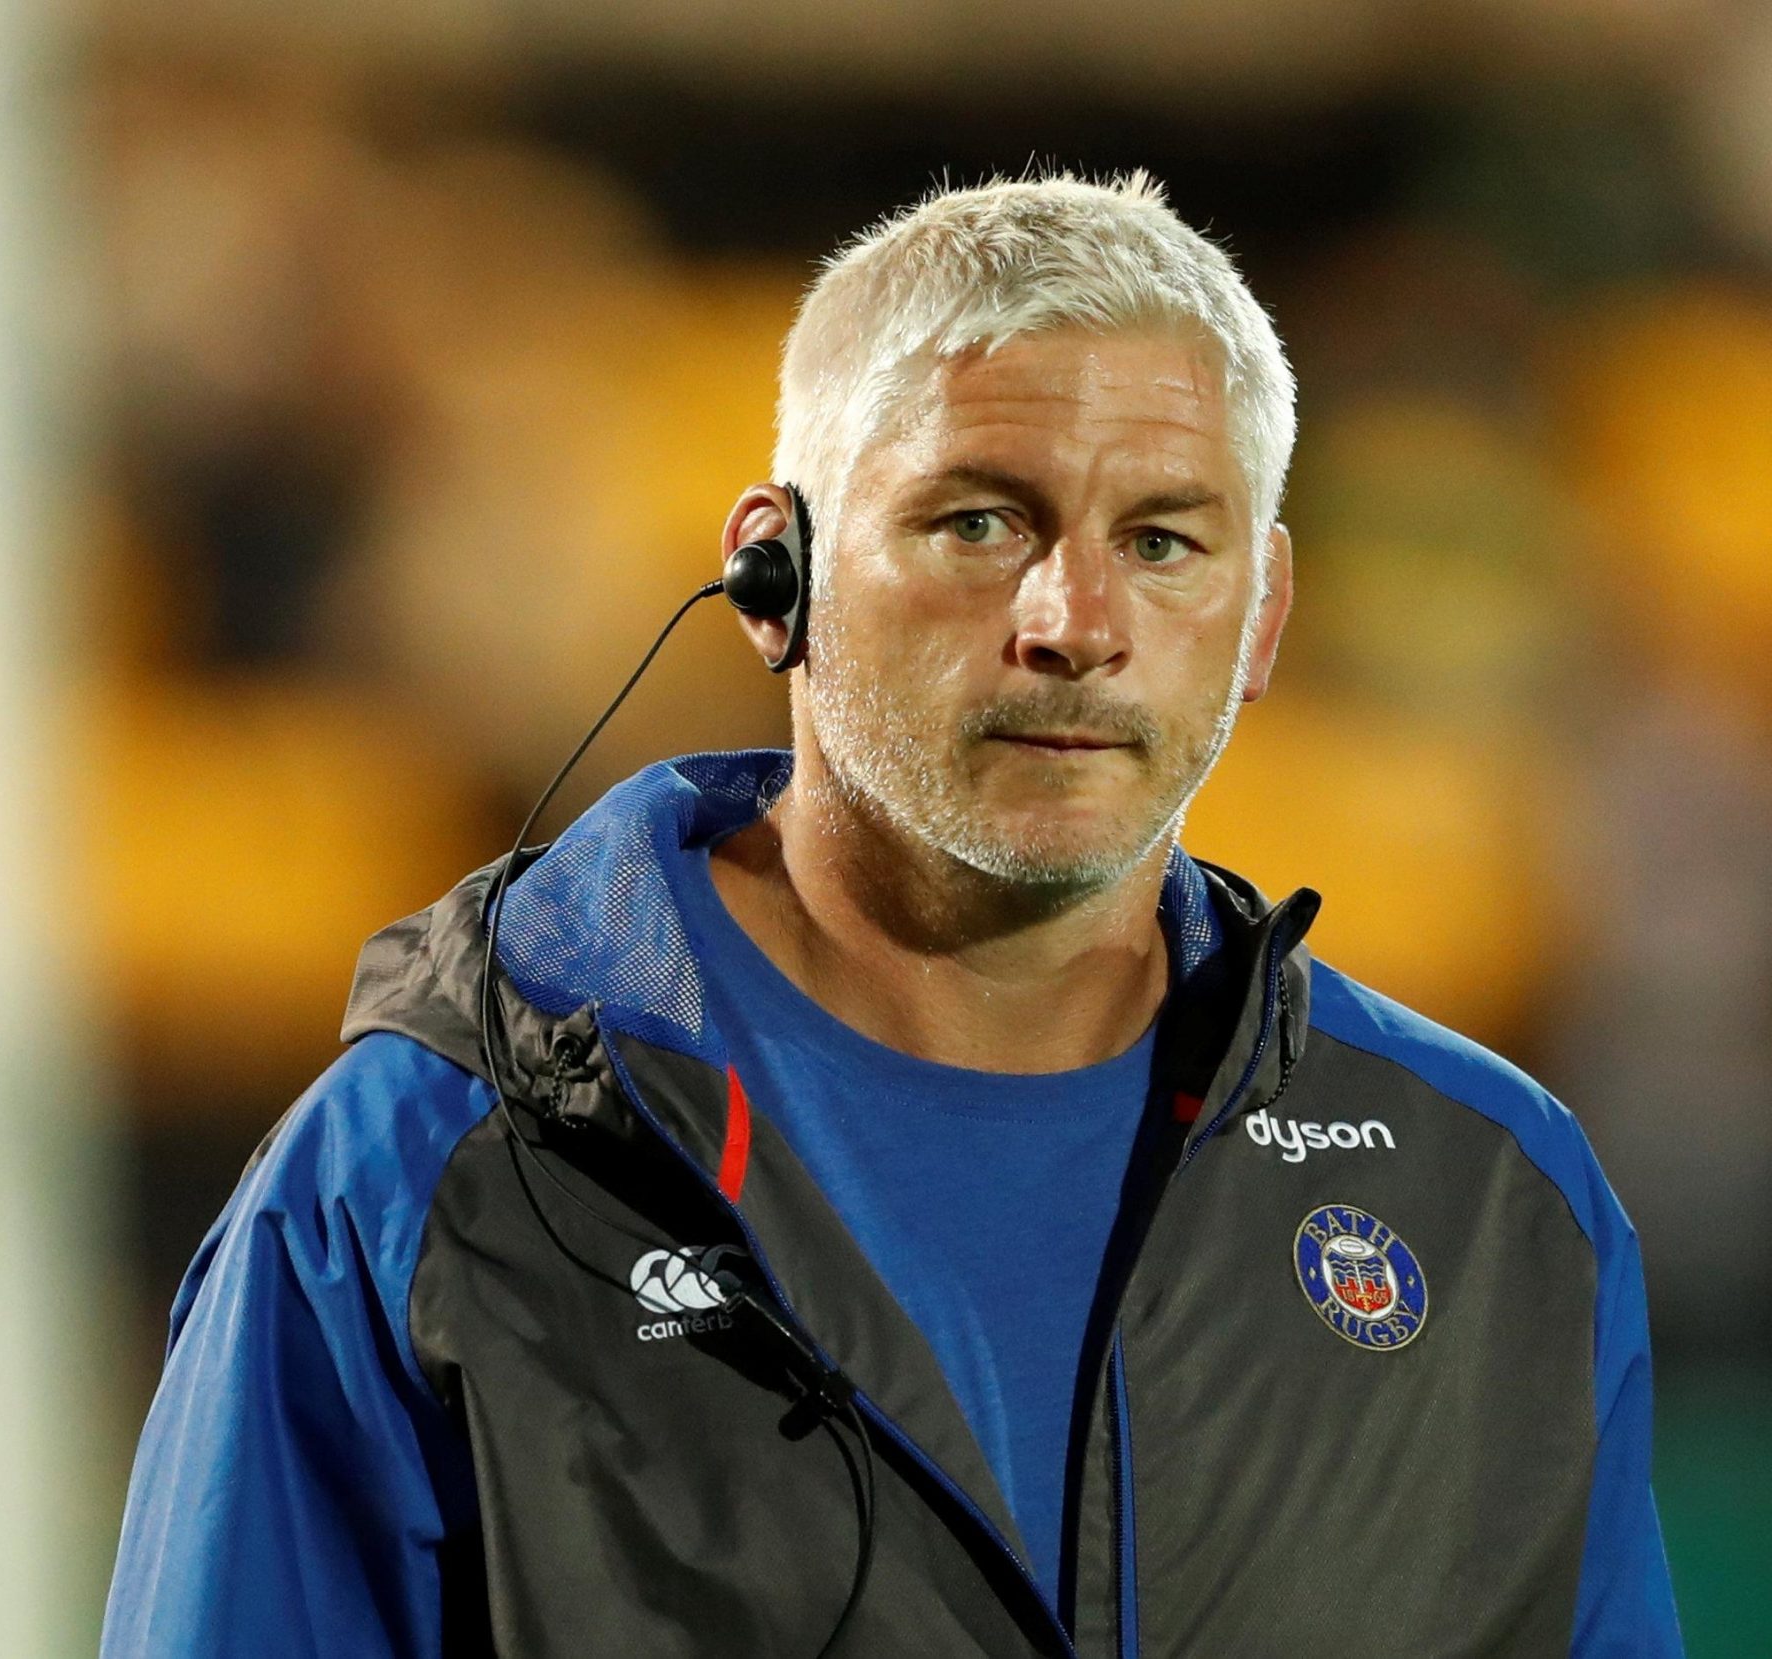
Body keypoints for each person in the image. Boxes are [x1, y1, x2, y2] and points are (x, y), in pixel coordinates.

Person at [101, 172, 1683, 1657]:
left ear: (1261, 615)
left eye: (1161, 542)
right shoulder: (416, 1181)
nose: (1074, 624)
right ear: (774, 576)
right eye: (978, 523)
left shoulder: (1495, 1203)